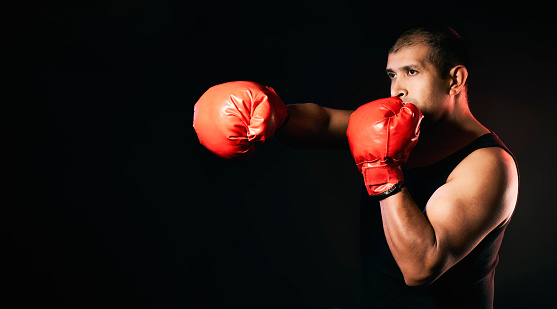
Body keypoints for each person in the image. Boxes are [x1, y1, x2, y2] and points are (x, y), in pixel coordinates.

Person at [193, 24, 519, 308]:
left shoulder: (489, 164)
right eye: (393, 74)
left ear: (455, 79)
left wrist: (382, 168)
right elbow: (323, 123)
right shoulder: (399, 129)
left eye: (412, 72)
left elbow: (421, 267)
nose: (397, 88)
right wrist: (274, 113)